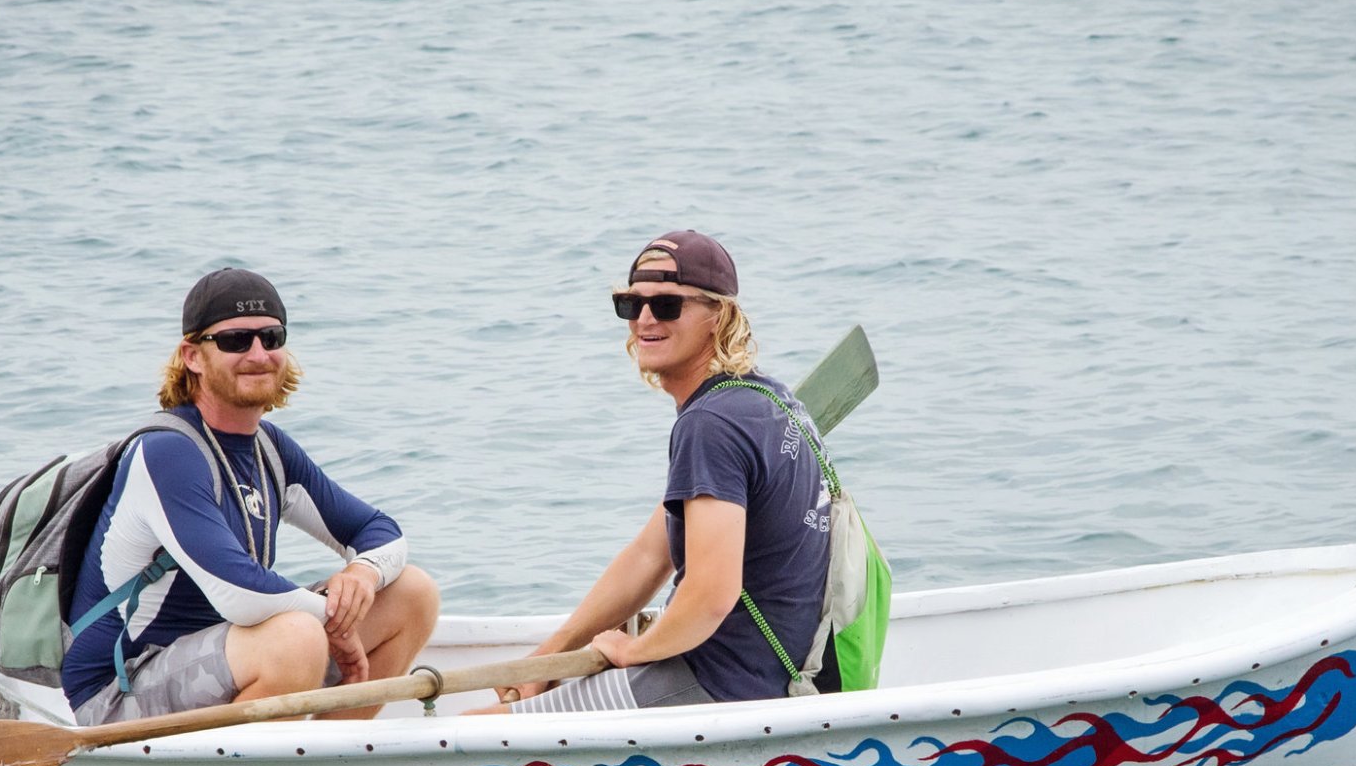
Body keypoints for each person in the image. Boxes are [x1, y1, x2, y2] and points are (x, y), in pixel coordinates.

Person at [62, 267, 439, 726]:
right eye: (236, 340)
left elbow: (378, 533)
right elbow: (239, 592)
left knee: (412, 592)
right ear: (193, 356)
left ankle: (328, 763)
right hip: (122, 686)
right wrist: (335, 624)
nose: (258, 354)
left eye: (271, 337)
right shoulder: (167, 453)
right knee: (296, 637)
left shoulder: (270, 449)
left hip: (225, 657)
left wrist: (362, 572)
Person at [485, 230, 831, 715]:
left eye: (667, 305)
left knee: (483, 725)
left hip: (720, 684)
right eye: (631, 304)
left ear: (718, 316)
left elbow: (712, 593)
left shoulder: (709, 424)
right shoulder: (769, 400)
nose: (645, 319)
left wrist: (636, 651)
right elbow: (651, 555)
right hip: (771, 674)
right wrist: (552, 655)